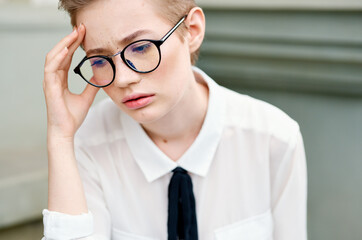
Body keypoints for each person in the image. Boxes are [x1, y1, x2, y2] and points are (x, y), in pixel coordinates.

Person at [42, 0, 307, 239]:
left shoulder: (275, 138)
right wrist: (60, 136)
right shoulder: (88, 143)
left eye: (141, 47)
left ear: (192, 30)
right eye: (98, 61)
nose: (122, 79)